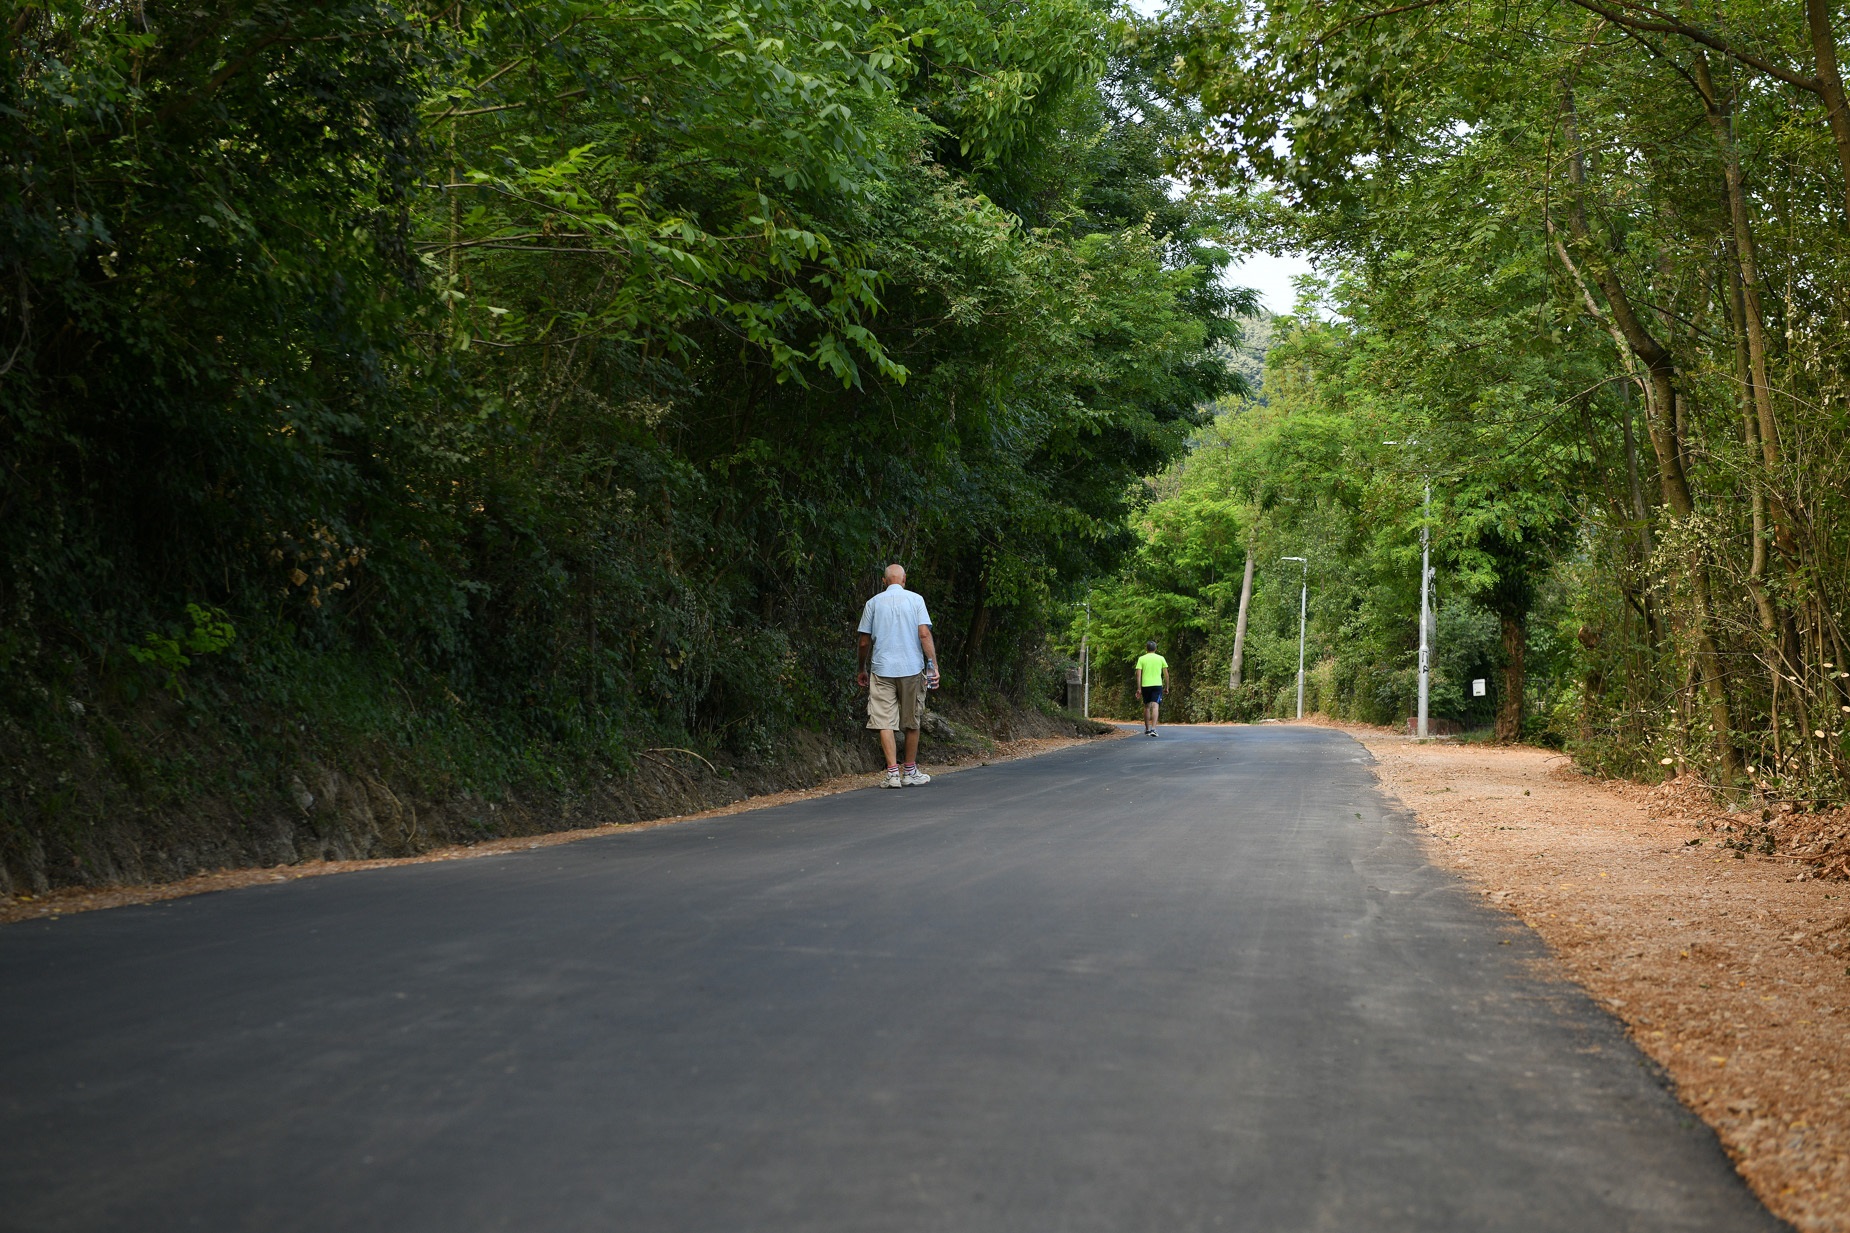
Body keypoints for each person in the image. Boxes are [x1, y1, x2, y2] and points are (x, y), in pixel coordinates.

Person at [856, 563, 941, 788]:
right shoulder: (916, 600)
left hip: (882, 669)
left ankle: (893, 774)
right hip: (911, 668)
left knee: (884, 720)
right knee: (912, 719)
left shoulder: (872, 603)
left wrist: (861, 668)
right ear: (904, 580)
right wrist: (932, 666)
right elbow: (924, 634)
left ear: (884, 581)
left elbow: (864, 641)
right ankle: (910, 770)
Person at [1134, 640, 1168, 736]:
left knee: (1147, 706)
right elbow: (1166, 674)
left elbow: (1138, 674)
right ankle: (1153, 729)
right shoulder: (1161, 658)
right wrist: (1167, 687)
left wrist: (1139, 688)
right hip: (1157, 685)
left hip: (1146, 685)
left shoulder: (1141, 659)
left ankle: (1147, 729)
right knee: (1155, 706)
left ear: (1146, 649)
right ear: (1156, 649)